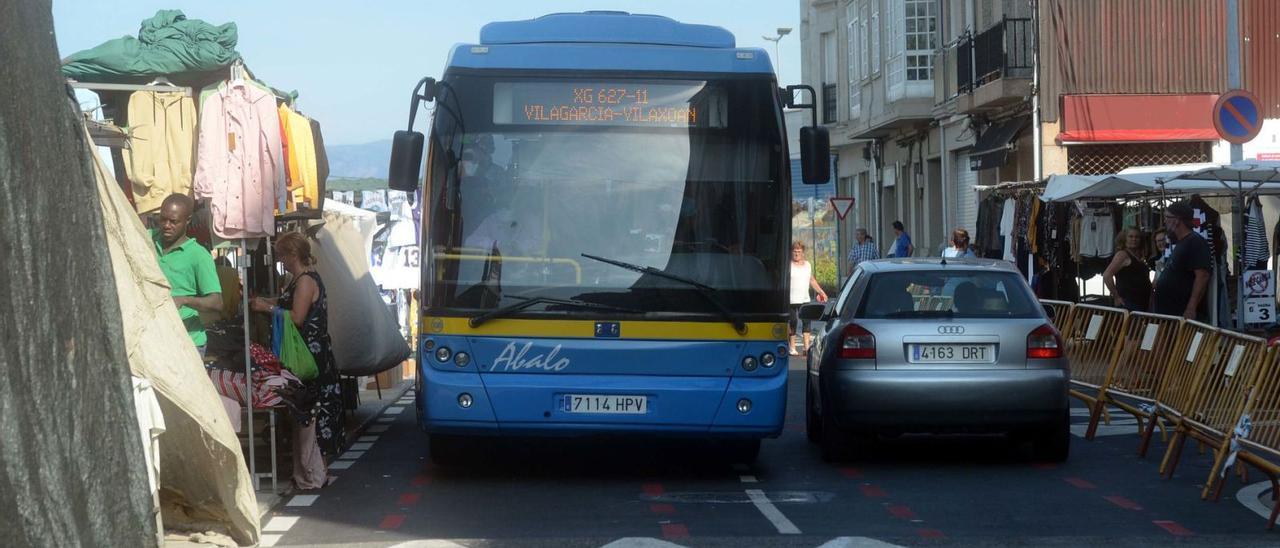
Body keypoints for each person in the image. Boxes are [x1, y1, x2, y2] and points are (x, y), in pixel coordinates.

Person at [251, 233, 345, 491]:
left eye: (282, 254)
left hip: (309, 357)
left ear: (292, 255)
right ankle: (308, 472)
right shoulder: (299, 280)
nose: (280, 260)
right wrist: (267, 302)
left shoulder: (305, 281)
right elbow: (286, 304)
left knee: (309, 412)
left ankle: (313, 472)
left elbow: (297, 316)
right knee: (305, 412)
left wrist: (266, 309)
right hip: (310, 354)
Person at [152, 194, 222, 356]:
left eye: (173, 221)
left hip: (188, 343)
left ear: (187, 220)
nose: (166, 225)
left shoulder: (198, 255)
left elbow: (217, 302)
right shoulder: (148, 238)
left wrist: (184, 300)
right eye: (163, 220)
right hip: (156, 340)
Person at [1153, 201, 1212, 321]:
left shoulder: (1195, 241)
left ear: (1177, 220)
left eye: (1167, 217)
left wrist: (1191, 307)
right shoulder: (1180, 243)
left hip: (1182, 313)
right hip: (1170, 313)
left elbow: (1202, 276)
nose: (1165, 221)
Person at [789, 241, 828, 355]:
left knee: (807, 322)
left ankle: (806, 348)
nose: (796, 254)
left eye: (799, 252)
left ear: (803, 253)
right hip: (790, 299)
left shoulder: (807, 265)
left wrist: (821, 292)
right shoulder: (788, 265)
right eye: (794, 251)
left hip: (804, 298)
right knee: (793, 322)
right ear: (791, 253)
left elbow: (812, 280)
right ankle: (792, 347)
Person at [1103, 228, 1152, 312]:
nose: (1134, 239)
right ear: (1125, 238)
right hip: (1129, 304)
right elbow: (1107, 275)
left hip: (1141, 303)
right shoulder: (1123, 255)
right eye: (1131, 236)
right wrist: (1116, 297)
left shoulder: (1138, 256)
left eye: (1137, 237)